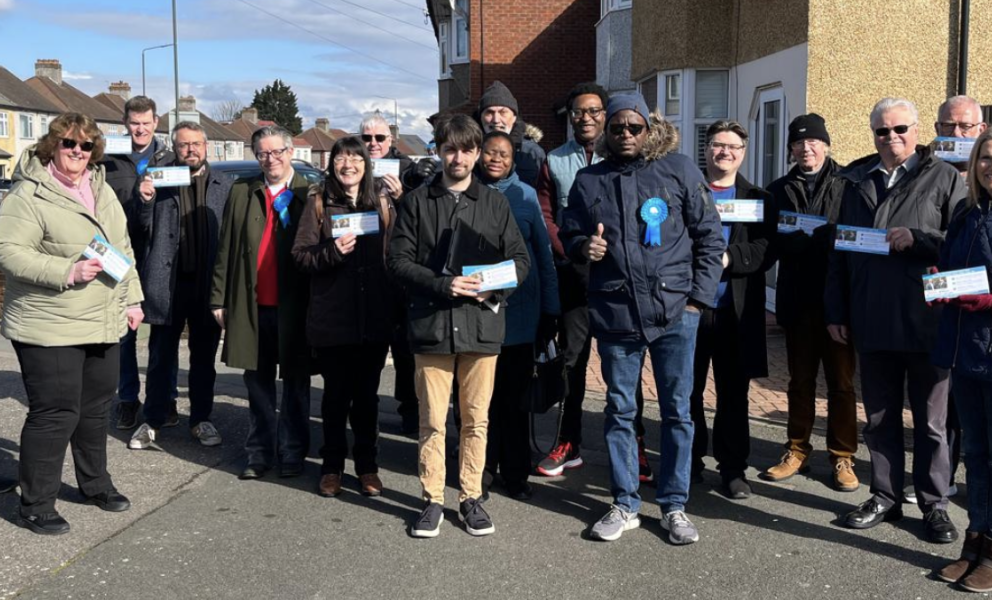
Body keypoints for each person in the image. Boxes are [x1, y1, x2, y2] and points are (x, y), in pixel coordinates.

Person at [559, 94, 725, 545]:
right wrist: (581, 248)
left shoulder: (680, 169)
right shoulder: (588, 181)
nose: (626, 135)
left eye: (634, 127)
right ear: (606, 133)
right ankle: (625, 503)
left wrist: (697, 302)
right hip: (615, 314)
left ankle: (674, 504)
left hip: (675, 313)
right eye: (618, 128)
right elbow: (570, 229)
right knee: (620, 409)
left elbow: (709, 237)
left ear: (648, 128)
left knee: (678, 411)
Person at [825, 97, 966, 544]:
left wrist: (920, 239)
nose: (892, 138)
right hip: (872, 318)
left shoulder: (944, 177)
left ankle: (934, 504)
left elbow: (965, 246)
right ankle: (883, 495)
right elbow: (840, 252)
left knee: (930, 422)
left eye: (900, 129)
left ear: (918, 130)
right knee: (880, 418)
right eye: (882, 132)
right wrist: (837, 310)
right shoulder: (856, 181)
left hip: (928, 320)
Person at [0, 112, 145, 534]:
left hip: (102, 320)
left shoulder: (100, 189)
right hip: (49, 325)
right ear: (52, 146)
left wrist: (133, 297)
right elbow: (9, 251)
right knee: (55, 413)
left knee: (95, 410)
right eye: (69, 144)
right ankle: (36, 503)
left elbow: (122, 248)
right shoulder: (30, 193)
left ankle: (95, 484)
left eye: (85, 146)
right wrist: (66, 271)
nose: (77, 152)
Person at [387, 114, 530, 538]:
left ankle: (469, 497)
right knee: (432, 420)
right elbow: (397, 262)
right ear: (438, 150)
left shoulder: (494, 203)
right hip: (432, 325)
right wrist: (444, 284)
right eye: (450, 149)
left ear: (476, 153)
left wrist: (491, 287)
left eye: (467, 149)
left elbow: (520, 262)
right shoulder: (416, 202)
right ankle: (432, 499)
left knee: (475, 419)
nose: (459, 157)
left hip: (480, 328)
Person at [533, 82, 653, 483]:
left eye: (593, 111)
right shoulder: (554, 159)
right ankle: (568, 443)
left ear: (606, 114)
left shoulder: (628, 153)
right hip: (576, 274)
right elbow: (547, 215)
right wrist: (571, 251)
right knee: (573, 362)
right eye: (578, 112)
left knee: (625, 366)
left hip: (620, 279)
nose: (586, 118)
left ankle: (635, 442)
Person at [292, 137, 395, 498]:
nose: (348, 164)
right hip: (333, 318)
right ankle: (332, 467)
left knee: (367, 399)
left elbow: (396, 256)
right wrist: (331, 251)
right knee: (335, 399)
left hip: (374, 319)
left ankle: (368, 468)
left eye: (355, 158)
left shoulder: (381, 201)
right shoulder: (319, 202)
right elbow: (301, 256)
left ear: (366, 164)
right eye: (341, 158)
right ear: (332, 164)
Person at [761, 114, 859, 492]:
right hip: (798, 301)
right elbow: (769, 241)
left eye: (814, 141)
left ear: (826, 144)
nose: (807, 148)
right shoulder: (778, 189)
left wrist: (819, 237)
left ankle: (842, 456)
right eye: (799, 143)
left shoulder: (850, 185)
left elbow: (853, 237)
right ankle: (797, 450)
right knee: (799, 382)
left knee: (842, 384)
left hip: (839, 303)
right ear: (790, 149)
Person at [210, 125, 313, 480]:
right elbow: (226, 247)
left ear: (290, 153)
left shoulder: (309, 191)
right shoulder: (242, 190)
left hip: (296, 307)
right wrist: (218, 298)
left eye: (277, 152)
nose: (271, 159)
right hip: (251, 305)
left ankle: (293, 452)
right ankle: (259, 453)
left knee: (297, 385)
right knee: (258, 385)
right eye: (263, 153)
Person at [128, 122, 233, 450]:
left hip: (207, 286)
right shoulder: (158, 179)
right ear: (175, 147)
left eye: (196, 144)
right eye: (183, 145)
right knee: (161, 356)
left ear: (206, 146)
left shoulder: (225, 185)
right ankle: (153, 420)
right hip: (167, 284)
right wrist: (144, 199)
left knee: (204, 359)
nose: (190, 150)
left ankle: (201, 419)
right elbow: (140, 227)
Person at [689, 120, 773, 499]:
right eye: (718, 145)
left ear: (743, 152)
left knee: (733, 395)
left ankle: (733, 469)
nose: (725, 152)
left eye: (733, 147)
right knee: (685, 393)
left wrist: (725, 258)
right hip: (690, 307)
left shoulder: (758, 198)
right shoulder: (687, 191)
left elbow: (765, 250)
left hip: (735, 311)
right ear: (706, 149)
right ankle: (688, 464)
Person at [478, 130, 560, 501]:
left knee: (513, 402)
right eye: (490, 152)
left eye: (504, 154)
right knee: (478, 402)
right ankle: (479, 469)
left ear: (514, 159)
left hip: (519, 316)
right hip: (477, 313)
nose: (496, 159)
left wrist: (550, 311)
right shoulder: (466, 192)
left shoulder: (525, 197)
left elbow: (543, 258)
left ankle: (514, 471)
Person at [933, 128, 992, 592]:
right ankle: (974, 542)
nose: (990, 166)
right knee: (975, 453)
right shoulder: (967, 213)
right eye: (985, 158)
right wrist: (940, 283)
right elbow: (953, 268)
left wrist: (984, 298)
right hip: (963, 352)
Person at [102, 96, 176, 431]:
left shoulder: (171, 160)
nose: (140, 129)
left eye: (146, 122)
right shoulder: (109, 160)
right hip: (119, 255)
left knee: (162, 332)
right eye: (135, 123)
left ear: (156, 122)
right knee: (124, 333)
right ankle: (128, 400)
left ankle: (165, 398)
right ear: (126, 124)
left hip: (159, 254)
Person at [360, 113, 421, 434]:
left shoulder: (409, 170)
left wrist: (401, 196)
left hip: (401, 273)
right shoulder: (352, 167)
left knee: (405, 348)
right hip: (365, 271)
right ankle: (363, 408)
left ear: (391, 140)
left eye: (379, 138)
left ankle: (410, 410)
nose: (372, 144)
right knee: (367, 347)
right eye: (367, 138)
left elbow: (425, 218)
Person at [475, 80, 546, 187]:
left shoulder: (532, 152)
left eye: (503, 112)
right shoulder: (469, 150)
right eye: (489, 112)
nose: (496, 120)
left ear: (514, 117)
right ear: (480, 117)